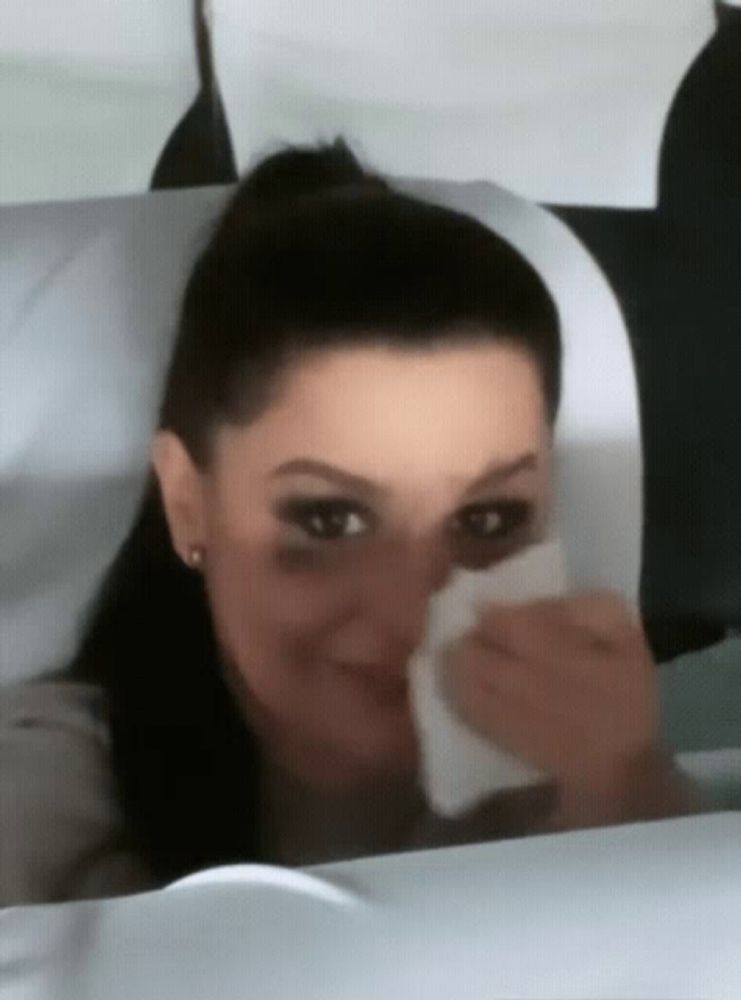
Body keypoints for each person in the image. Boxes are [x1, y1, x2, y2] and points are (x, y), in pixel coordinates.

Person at [1, 138, 708, 907]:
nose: (414, 609)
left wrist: (630, 802)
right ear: (187, 504)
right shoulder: (40, 811)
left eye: (487, 516)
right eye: (330, 519)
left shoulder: (575, 784)